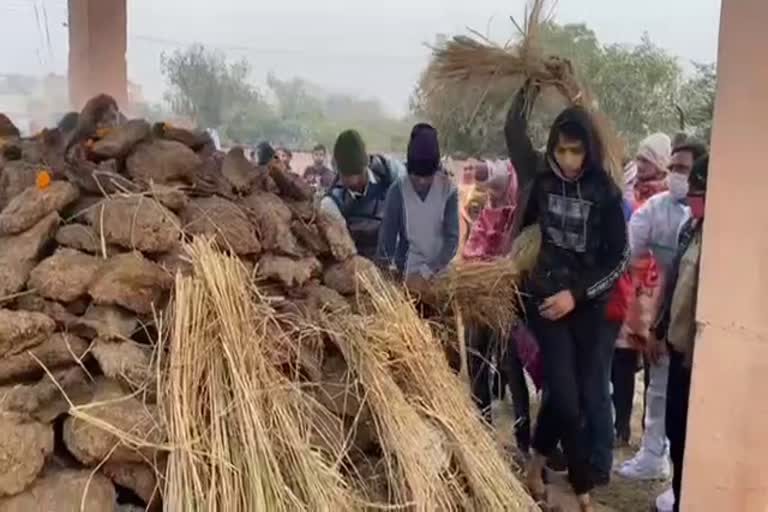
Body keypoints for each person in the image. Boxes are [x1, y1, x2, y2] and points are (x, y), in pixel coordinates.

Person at [507, 82, 629, 512]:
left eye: (575, 151)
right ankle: (583, 494)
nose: (567, 159)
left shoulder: (606, 193)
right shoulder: (541, 181)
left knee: (566, 396)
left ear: (588, 151)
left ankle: (535, 467)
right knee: (566, 396)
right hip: (545, 302)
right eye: (560, 150)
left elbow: (618, 260)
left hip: (587, 308)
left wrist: (577, 296)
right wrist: (530, 85)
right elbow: (513, 134)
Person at [617, 141, 708, 482]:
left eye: (684, 170)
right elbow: (631, 252)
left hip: (699, 323)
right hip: (669, 309)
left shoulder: (711, 221)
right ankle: (653, 454)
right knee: (659, 389)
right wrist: (656, 326)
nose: (677, 177)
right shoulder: (658, 210)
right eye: (674, 168)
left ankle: (678, 473)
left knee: (688, 401)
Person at [462, 160, 532, 456]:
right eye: (490, 190)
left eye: (497, 189)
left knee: (509, 366)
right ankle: (482, 423)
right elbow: (471, 250)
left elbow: (514, 260)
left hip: (505, 301)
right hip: (479, 299)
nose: (494, 195)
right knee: (476, 357)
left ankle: (523, 437)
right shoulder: (485, 209)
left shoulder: (518, 216)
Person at [650, 155, 708, 512]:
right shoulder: (690, 229)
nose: (694, 201)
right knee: (675, 430)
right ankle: (678, 495)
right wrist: (657, 330)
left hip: (703, 359)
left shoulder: (729, 242)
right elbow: (672, 288)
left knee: (694, 436)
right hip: (677, 348)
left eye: (701, 193)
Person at [612, 133, 673, 449]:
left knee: (654, 365)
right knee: (621, 360)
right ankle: (621, 425)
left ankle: (651, 437)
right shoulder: (631, 193)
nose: (640, 164)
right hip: (628, 290)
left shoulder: (668, 201)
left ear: (661, 163)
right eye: (639, 158)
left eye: (646, 159)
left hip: (655, 292)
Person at [376, 123, 459, 287]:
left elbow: (452, 240)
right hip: (407, 273)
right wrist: (383, 278)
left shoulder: (448, 190)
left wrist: (428, 272)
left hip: (440, 272)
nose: (421, 182)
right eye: (416, 176)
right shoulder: (398, 191)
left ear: (435, 170)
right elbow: (387, 240)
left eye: (427, 176)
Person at [320, 130, 404, 259]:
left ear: (367, 165)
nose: (354, 181)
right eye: (347, 176)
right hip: (364, 262)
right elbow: (345, 252)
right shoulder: (332, 203)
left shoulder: (389, 171)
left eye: (358, 175)